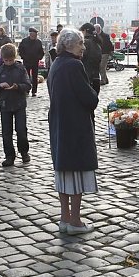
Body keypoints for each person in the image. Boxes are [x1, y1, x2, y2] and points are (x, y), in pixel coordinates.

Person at [46, 27, 99, 236]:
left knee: (64, 173)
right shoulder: (74, 65)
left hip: (59, 124)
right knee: (76, 173)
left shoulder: (56, 63)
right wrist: (93, 91)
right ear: (68, 45)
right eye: (80, 43)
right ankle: (75, 221)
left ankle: (65, 218)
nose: (83, 47)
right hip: (74, 126)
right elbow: (89, 99)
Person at [0, 43, 32, 167]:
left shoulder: (20, 69)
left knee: (21, 130)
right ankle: (9, 155)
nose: (8, 62)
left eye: (11, 60)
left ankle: (24, 152)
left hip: (19, 103)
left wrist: (17, 87)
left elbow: (28, 85)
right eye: (6, 60)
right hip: (5, 104)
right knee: (6, 132)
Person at [18, 27, 45, 97]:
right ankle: (27, 90)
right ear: (30, 34)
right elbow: (20, 50)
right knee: (26, 76)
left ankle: (34, 91)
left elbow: (41, 52)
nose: (34, 36)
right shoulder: (24, 41)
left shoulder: (38, 42)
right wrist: (23, 56)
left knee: (35, 77)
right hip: (26, 61)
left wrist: (39, 57)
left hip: (35, 62)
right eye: (32, 35)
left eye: (35, 35)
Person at [79, 23, 102, 94]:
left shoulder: (86, 42)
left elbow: (81, 57)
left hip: (87, 76)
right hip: (96, 76)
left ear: (85, 31)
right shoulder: (96, 41)